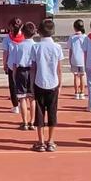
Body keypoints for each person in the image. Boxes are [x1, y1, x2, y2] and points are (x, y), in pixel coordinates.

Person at [30, 19, 64, 152]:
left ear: (39, 32)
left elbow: (33, 67)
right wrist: (60, 84)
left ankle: (41, 141)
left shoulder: (36, 47)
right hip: (53, 83)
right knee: (52, 112)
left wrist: (32, 84)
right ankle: (51, 140)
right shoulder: (57, 47)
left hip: (39, 81)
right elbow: (59, 69)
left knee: (39, 113)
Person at [13, 22, 36, 130]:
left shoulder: (18, 46)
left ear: (22, 32)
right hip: (32, 71)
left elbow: (14, 64)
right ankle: (32, 121)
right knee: (32, 98)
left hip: (21, 71)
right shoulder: (36, 46)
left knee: (22, 98)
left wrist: (14, 76)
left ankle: (25, 122)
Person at [2, 17, 24, 114]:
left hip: (11, 65)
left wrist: (4, 64)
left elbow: (5, 53)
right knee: (21, 84)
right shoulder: (25, 37)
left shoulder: (7, 39)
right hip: (23, 64)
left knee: (12, 85)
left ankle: (16, 106)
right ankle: (21, 102)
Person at [67, 19, 87, 100]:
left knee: (76, 76)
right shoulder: (85, 37)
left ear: (74, 28)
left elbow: (70, 50)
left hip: (74, 58)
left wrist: (70, 59)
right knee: (82, 76)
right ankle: (82, 92)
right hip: (83, 59)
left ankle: (76, 92)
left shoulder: (72, 37)